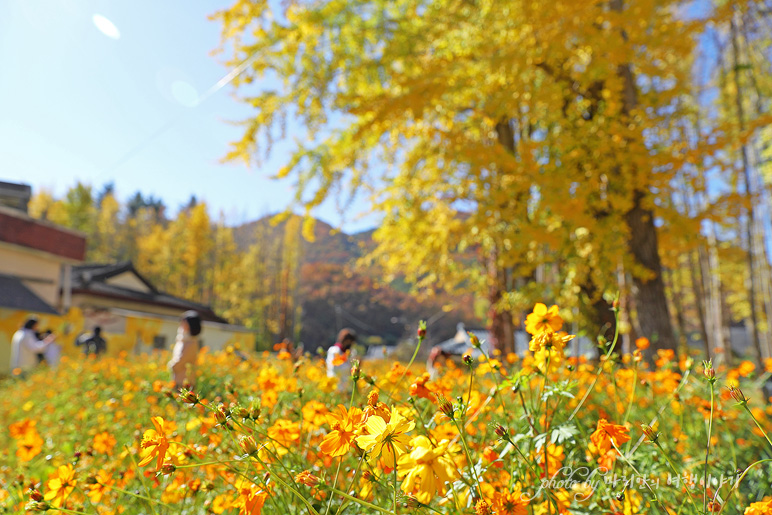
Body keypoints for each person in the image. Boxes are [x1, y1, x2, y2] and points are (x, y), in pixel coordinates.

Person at [168, 310, 202, 389]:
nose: (181, 324)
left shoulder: (191, 342)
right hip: (178, 379)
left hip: (185, 382)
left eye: (184, 322)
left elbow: (181, 360)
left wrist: (172, 366)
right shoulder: (183, 339)